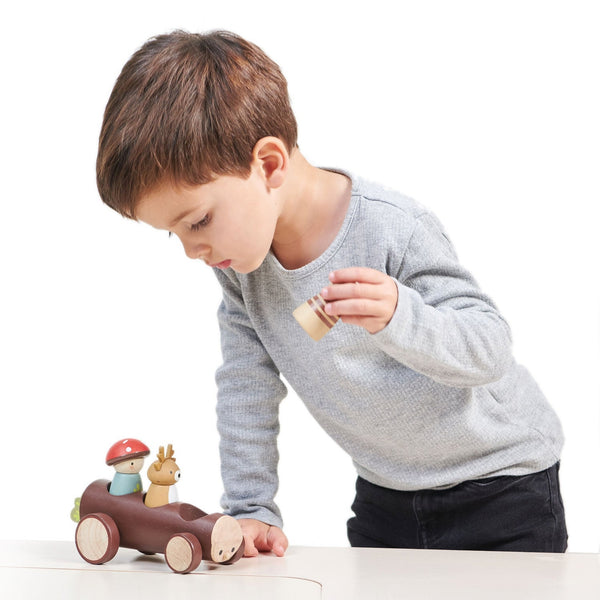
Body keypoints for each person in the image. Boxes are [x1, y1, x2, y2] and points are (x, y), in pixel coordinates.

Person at [96, 30, 568, 556]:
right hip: (385, 497)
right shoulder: (240, 270)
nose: (191, 250)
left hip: (502, 488)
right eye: (174, 232)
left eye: (200, 220)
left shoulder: (394, 229)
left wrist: (399, 315)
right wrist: (251, 509)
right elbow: (245, 385)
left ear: (269, 165)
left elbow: (490, 349)